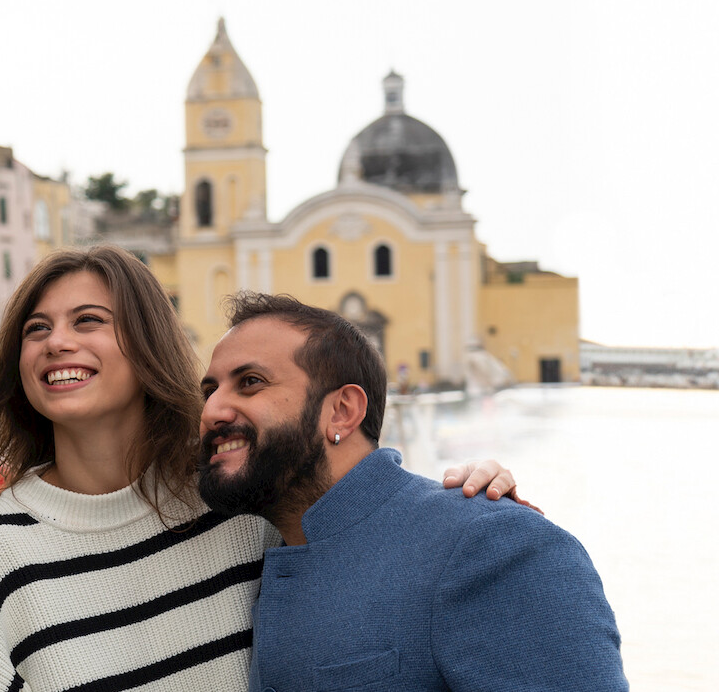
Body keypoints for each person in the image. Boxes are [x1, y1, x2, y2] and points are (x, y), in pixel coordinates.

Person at [0, 248, 522, 692]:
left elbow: (370, 530)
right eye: (36, 328)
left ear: (148, 346)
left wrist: (473, 500)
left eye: (87, 321)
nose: (56, 342)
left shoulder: (240, 505)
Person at [198, 291, 625, 691]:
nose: (212, 410)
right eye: (209, 391)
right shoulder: (249, 552)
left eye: (250, 382)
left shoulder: (493, 543)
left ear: (342, 411)